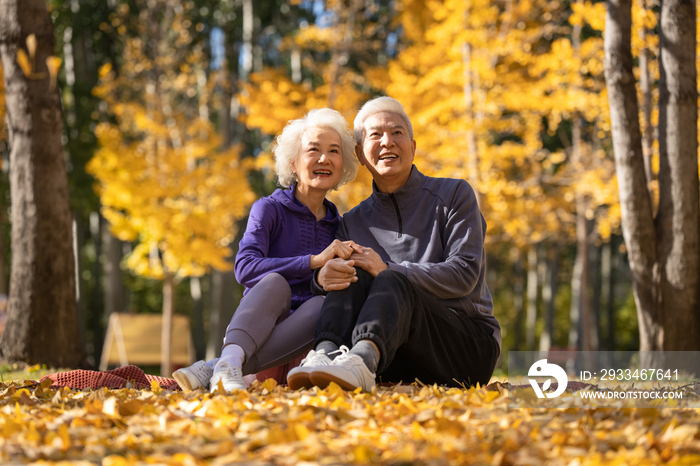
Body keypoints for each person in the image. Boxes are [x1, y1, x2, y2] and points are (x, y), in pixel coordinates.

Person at [287, 97, 501, 392]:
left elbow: (464, 275)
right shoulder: (352, 221)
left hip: (465, 348)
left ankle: (361, 361)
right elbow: (336, 288)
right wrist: (320, 279)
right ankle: (325, 354)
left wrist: (388, 269)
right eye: (376, 135)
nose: (387, 142)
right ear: (361, 154)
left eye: (397, 133)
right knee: (351, 270)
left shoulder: (454, 195)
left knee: (391, 278)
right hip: (393, 353)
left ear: (413, 147)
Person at [173, 108, 360, 392]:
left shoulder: (341, 227)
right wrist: (312, 262)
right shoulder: (268, 209)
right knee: (275, 283)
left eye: (334, 151)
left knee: (322, 304)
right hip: (256, 334)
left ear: (342, 163)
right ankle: (228, 362)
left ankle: (217, 366)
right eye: (314, 150)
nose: (324, 159)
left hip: (301, 350)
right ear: (294, 163)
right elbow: (244, 268)